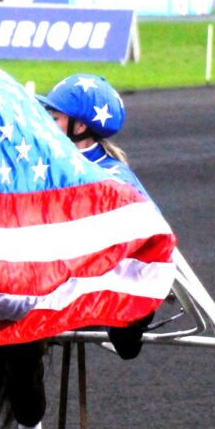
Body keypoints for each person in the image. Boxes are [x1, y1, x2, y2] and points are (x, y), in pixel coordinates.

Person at [38, 73, 155, 358]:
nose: (46, 125)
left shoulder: (114, 176)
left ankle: (129, 324)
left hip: (105, 285)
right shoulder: (46, 166)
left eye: (54, 118)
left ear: (79, 126)